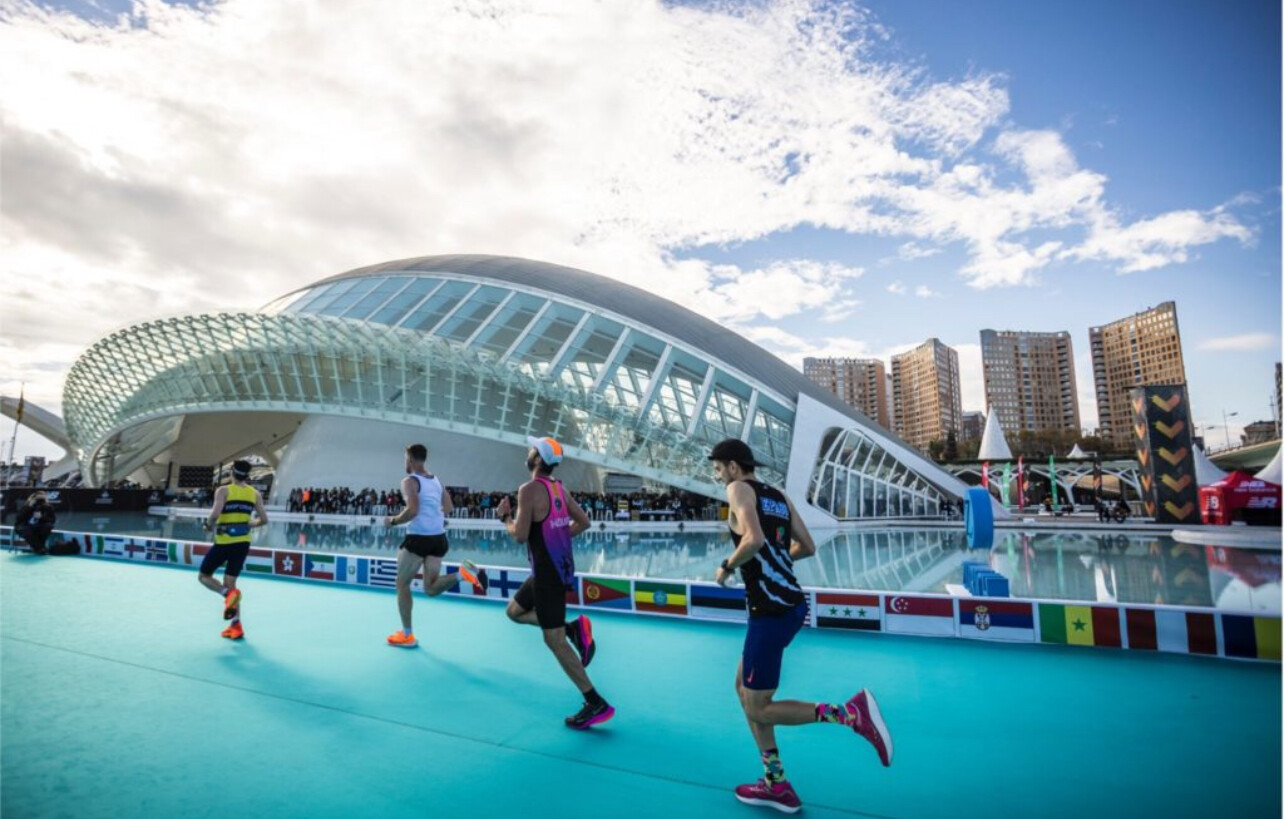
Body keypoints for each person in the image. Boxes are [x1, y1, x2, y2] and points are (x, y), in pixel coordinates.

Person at [709, 438, 892, 815]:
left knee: (759, 708)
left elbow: (753, 539)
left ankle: (849, 714)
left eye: (718, 467)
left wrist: (727, 567)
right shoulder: (777, 496)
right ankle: (776, 783)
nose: (717, 475)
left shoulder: (737, 488)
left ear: (732, 466)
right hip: (789, 604)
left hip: (771, 611)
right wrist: (776, 564)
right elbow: (807, 546)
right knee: (743, 689)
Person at [496, 436, 610, 730]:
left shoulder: (529, 490)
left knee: (554, 641)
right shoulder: (559, 488)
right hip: (554, 570)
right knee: (513, 612)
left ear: (537, 459)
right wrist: (556, 538)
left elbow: (520, 535)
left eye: (532, 449)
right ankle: (573, 628)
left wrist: (505, 517)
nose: (528, 451)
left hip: (547, 575)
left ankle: (595, 702)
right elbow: (584, 522)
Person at [384, 443, 487, 648]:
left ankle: (407, 635)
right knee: (430, 588)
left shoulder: (409, 481)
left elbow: (413, 510)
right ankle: (463, 574)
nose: (405, 462)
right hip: (438, 539)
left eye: (405, 458)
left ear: (410, 459)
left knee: (402, 584)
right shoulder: (435, 479)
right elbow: (448, 507)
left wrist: (392, 521)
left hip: (418, 539)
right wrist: (431, 515)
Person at [200, 461, 267, 640]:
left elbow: (215, 514)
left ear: (231, 472)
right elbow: (264, 520)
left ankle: (227, 594)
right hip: (243, 543)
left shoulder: (223, 491)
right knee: (231, 582)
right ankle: (236, 626)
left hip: (224, 542)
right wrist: (249, 524)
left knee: (204, 576)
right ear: (247, 475)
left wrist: (207, 525)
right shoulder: (254, 494)